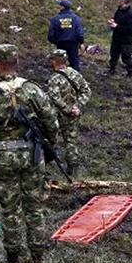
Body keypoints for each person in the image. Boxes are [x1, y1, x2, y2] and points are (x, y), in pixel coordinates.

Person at [0, 43, 58, 263]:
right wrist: (47, 142)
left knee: (10, 207)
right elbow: (52, 122)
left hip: (3, 157)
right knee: (35, 205)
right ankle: (37, 253)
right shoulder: (33, 90)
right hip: (33, 156)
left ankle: (13, 255)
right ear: (16, 63)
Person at [45, 48, 91, 177]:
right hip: (74, 115)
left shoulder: (54, 79)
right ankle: (72, 167)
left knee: (51, 138)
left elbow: (55, 97)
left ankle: (48, 163)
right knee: (71, 140)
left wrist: (67, 109)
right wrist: (78, 106)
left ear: (55, 61)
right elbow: (86, 91)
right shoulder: (75, 73)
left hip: (58, 115)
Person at [47, 0, 85, 72]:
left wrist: (56, 42)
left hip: (60, 44)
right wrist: (80, 42)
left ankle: (61, 79)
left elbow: (50, 35)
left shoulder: (55, 18)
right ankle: (75, 80)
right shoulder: (75, 18)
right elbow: (79, 33)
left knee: (59, 64)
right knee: (74, 63)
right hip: (73, 44)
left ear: (62, 7)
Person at [107, 0, 132, 76]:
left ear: (124, 2)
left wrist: (117, 26)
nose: (118, 2)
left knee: (126, 57)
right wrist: (112, 21)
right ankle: (111, 69)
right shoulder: (119, 10)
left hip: (126, 40)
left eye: (120, 1)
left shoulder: (131, 14)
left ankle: (129, 72)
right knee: (113, 55)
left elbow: (130, 29)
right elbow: (117, 19)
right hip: (116, 38)